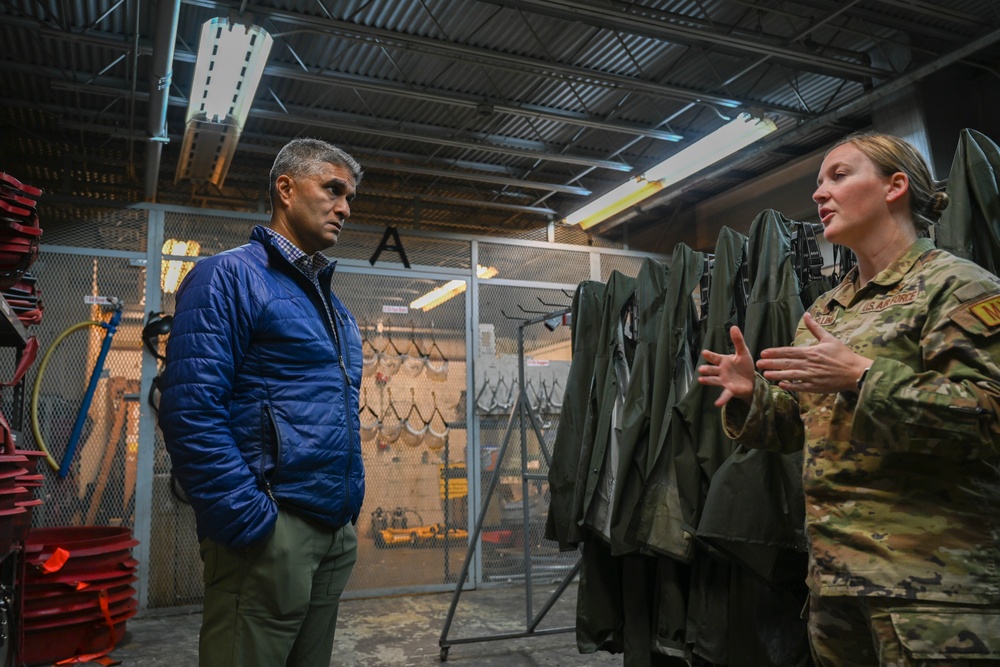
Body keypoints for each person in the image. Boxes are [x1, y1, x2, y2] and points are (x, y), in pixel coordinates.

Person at [697, 131, 1000, 666]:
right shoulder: (829, 310)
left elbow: (989, 413)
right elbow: (802, 427)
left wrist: (862, 374)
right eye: (818, 182)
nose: (819, 194)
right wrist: (753, 398)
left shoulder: (958, 287)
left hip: (932, 592)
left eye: (839, 175)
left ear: (895, 187)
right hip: (835, 585)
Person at [159, 138, 365, 667]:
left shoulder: (332, 305)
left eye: (350, 197)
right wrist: (249, 521)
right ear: (286, 188)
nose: (345, 207)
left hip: (330, 529)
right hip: (270, 532)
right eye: (333, 189)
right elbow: (190, 410)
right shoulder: (227, 277)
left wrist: (345, 519)